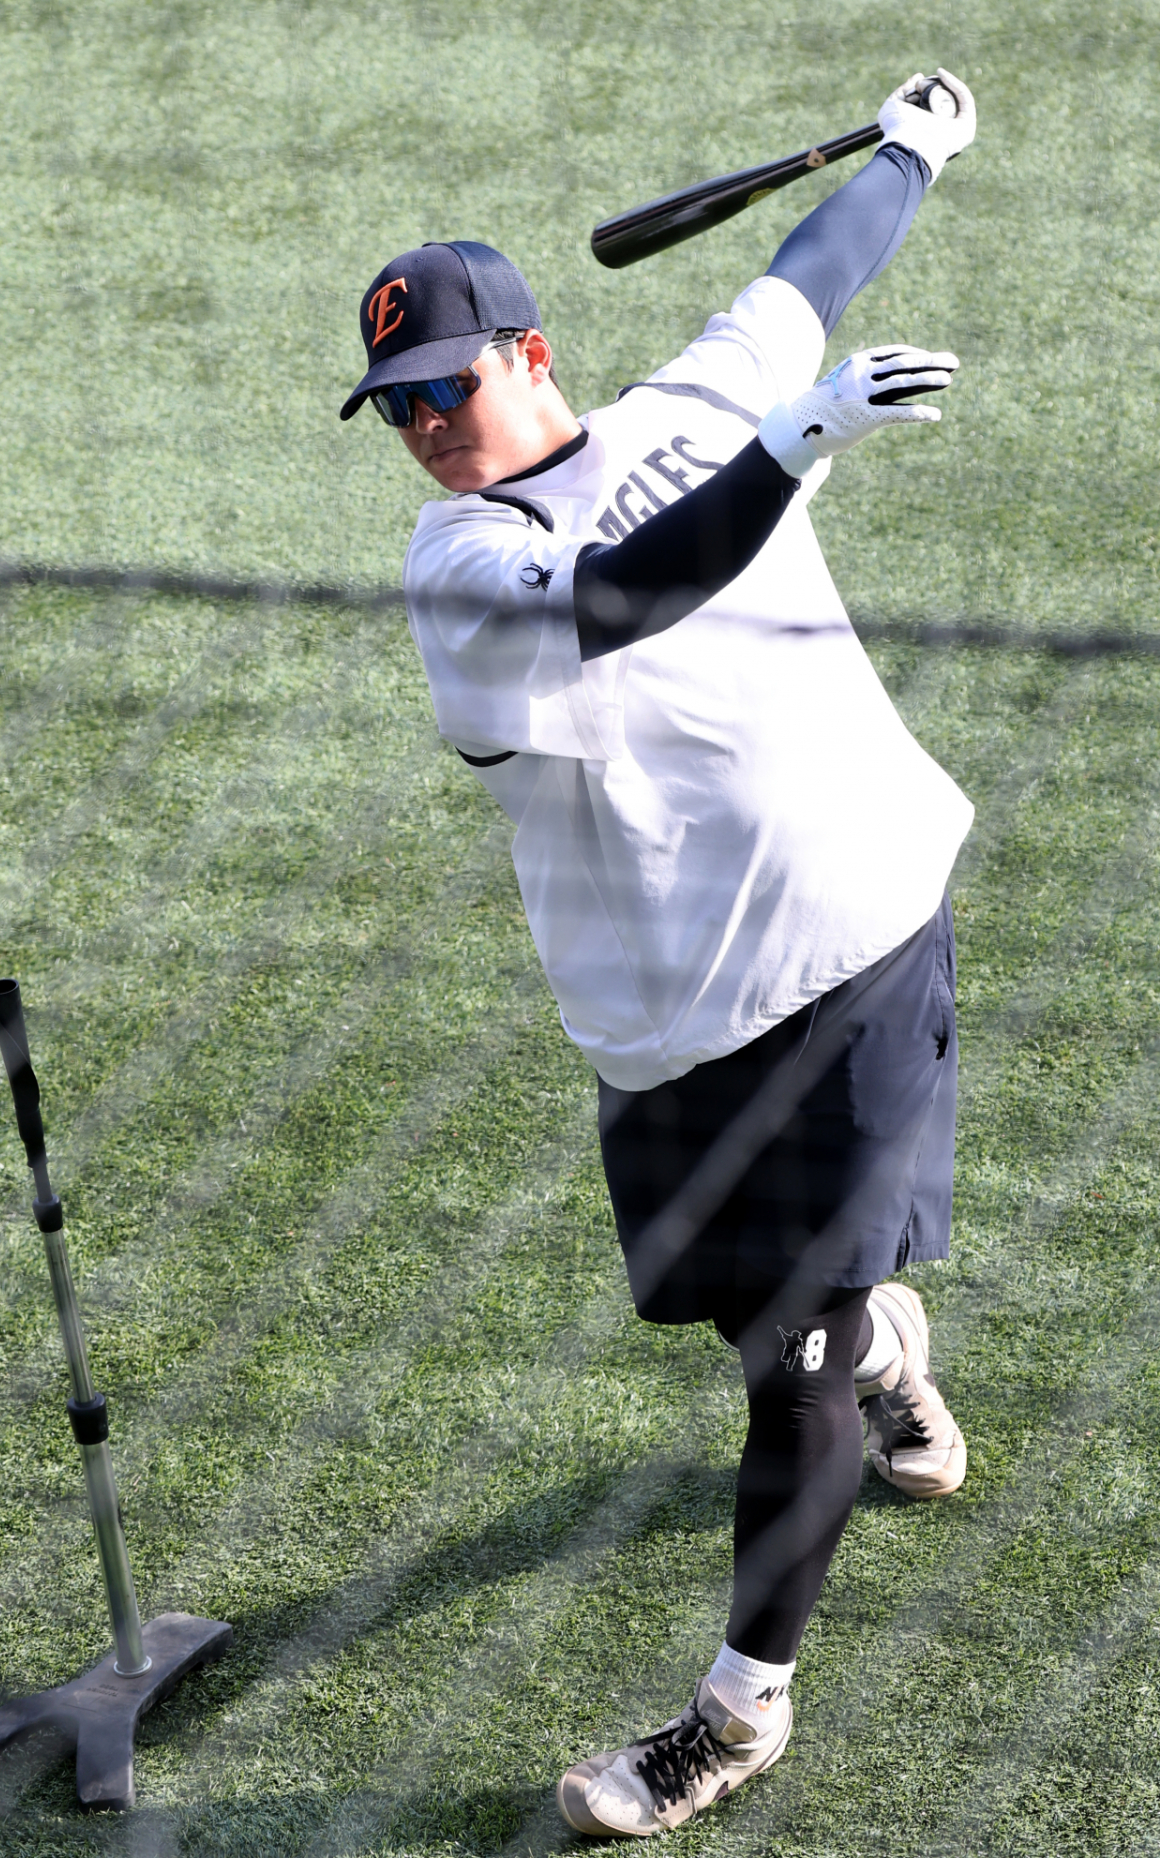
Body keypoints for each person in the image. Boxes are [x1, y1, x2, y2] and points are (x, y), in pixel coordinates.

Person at [339, 68, 977, 1840]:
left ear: (529, 352)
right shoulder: (460, 568)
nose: (427, 427)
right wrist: (793, 447)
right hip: (672, 1028)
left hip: (859, 937)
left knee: (793, 1364)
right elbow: (628, 592)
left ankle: (736, 1710)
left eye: (447, 386)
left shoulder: (699, 396)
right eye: (397, 408)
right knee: (759, 1323)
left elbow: (809, 269)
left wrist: (914, 146)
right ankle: (885, 1345)